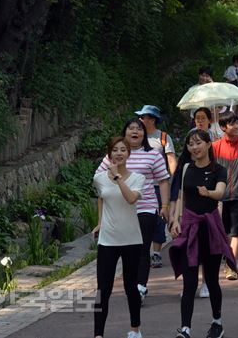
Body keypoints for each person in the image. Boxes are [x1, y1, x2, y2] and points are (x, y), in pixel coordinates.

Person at [96, 118, 170, 305]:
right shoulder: (113, 156)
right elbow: (99, 181)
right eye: (131, 128)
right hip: (119, 211)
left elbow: (163, 181)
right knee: (125, 251)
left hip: (145, 208)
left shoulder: (153, 155)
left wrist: (165, 206)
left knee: (142, 248)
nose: (135, 132)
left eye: (139, 129)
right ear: (125, 132)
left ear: (145, 134)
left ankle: (140, 286)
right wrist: (101, 219)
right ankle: (126, 284)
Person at [169, 129, 235, 338]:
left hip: (210, 227)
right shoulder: (186, 167)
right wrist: (175, 220)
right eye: (190, 144)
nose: (194, 147)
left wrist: (209, 192)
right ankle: (185, 329)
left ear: (208, 145)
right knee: (189, 282)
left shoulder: (218, 169)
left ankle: (217, 323)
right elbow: (180, 196)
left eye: (198, 143)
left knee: (212, 279)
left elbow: (221, 192)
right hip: (189, 227)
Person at [92, 137, 146, 338]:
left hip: (132, 239)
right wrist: (100, 222)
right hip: (107, 240)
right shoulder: (99, 178)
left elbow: (131, 199)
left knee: (130, 287)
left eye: (123, 149)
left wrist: (117, 178)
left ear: (128, 154)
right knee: (102, 289)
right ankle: (98, 334)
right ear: (109, 154)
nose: (119, 153)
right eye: (115, 150)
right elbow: (101, 198)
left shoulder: (137, 178)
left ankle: (135, 329)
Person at [136, 105, 177, 269]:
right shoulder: (137, 137)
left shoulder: (163, 138)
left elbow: (171, 160)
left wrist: (173, 179)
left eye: (143, 117)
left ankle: (157, 253)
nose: (140, 120)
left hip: (158, 185)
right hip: (139, 186)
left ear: (151, 119)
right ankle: (142, 251)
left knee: (160, 218)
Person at [212, 111, 238, 281]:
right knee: (221, 232)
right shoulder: (214, 147)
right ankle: (224, 257)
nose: (236, 126)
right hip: (218, 197)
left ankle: (231, 265)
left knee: (235, 233)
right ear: (223, 127)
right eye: (232, 123)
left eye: (237, 123)